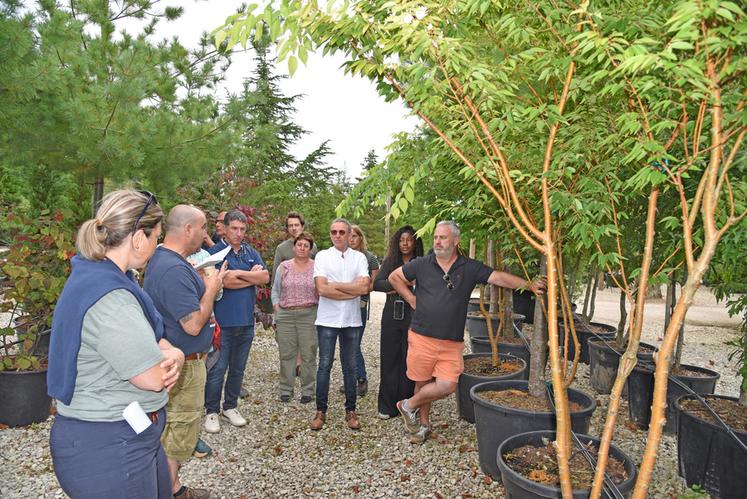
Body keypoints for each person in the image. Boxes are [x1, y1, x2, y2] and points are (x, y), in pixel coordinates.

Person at [48, 189, 184, 498]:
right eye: (156, 238)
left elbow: (148, 337)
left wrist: (169, 350)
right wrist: (172, 356)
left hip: (122, 436)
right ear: (138, 238)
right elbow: (154, 377)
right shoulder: (113, 298)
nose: (156, 246)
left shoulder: (95, 273)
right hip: (109, 445)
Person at [388, 221, 545, 444]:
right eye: (435, 237)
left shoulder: (469, 267)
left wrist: (528, 285)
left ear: (456, 240)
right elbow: (395, 277)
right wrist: (411, 298)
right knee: (422, 382)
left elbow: (498, 277)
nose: (438, 242)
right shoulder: (422, 264)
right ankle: (422, 425)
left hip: (451, 341)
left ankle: (408, 405)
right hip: (422, 335)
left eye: (443, 237)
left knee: (447, 385)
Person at [144, 205, 228, 499]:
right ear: (188, 229)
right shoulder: (172, 269)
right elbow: (192, 324)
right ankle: (171, 493)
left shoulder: (170, 261)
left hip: (181, 360)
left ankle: (174, 487)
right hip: (184, 364)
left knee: (175, 429)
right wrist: (211, 286)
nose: (206, 234)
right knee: (178, 432)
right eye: (203, 226)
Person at [203, 210, 269, 434]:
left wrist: (239, 276)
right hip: (223, 324)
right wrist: (250, 277)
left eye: (242, 229)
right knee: (217, 369)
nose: (238, 233)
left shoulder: (251, 252)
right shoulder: (214, 253)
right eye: (234, 228)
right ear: (225, 227)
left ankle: (230, 406)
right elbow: (226, 282)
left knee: (238, 369)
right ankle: (211, 410)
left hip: (246, 322)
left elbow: (265, 278)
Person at [310, 218, 370, 431]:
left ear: (349, 234)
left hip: (352, 321)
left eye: (342, 232)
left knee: (351, 366)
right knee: (324, 365)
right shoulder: (323, 256)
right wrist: (349, 290)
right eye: (333, 232)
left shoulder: (359, 258)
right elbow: (322, 290)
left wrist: (335, 285)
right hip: (327, 320)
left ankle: (351, 410)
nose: (337, 235)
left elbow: (364, 288)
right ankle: (321, 410)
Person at [372, 226, 424, 419]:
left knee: (409, 359)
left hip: (414, 314)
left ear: (415, 242)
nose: (405, 243)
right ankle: (386, 405)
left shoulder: (421, 262)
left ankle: (407, 403)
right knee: (389, 357)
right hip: (392, 314)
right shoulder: (390, 261)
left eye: (409, 240)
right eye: (402, 240)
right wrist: (400, 285)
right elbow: (377, 284)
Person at [271, 232, 319, 404]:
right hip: (286, 315)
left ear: (310, 249)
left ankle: (307, 390)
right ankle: (286, 389)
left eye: (306, 245)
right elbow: (275, 290)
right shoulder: (284, 267)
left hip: (309, 314)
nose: (302, 248)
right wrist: (277, 308)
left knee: (308, 354)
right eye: (299, 244)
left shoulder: (317, 267)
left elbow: (321, 290)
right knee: (287, 354)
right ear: (294, 247)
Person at [341, 225, 379, 396]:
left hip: (360, 306)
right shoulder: (341, 256)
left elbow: (372, 284)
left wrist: (354, 290)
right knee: (344, 345)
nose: (352, 239)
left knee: (354, 344)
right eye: (350, 236)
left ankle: (361, 379)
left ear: (360, 238)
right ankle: (350, 381)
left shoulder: (370, 258)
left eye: (355, 236)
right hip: (341, 305)